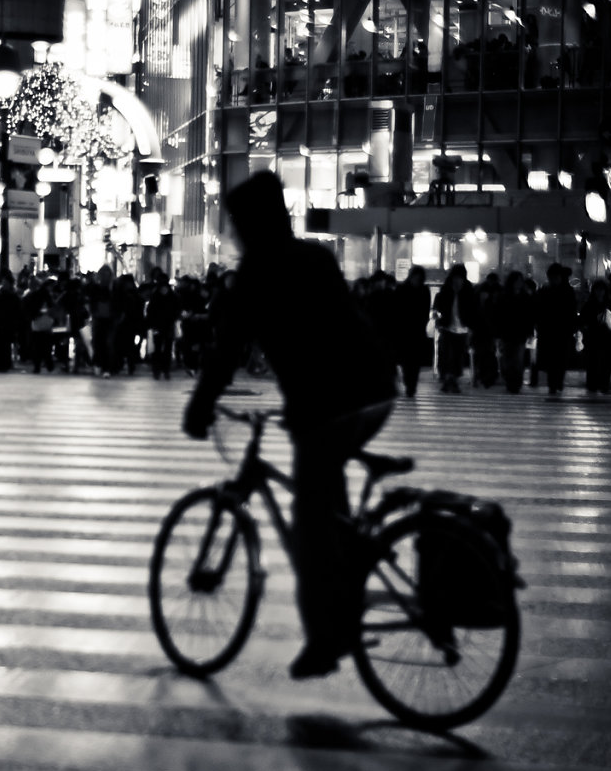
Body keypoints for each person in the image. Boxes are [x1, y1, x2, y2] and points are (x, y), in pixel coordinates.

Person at [183, 171, 397, 680]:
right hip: (374, 390)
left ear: (252, 223)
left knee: (308, 526)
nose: (232, 231)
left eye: (236, 221)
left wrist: (199, 407)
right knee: (329, 506)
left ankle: (326, 639)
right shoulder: (314, 256)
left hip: (331, 405)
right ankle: (346, 591)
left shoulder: (258, 272)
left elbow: (227, 348)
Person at [534, 262, 578, 396]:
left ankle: (555, 382)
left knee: (556, 359)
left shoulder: (547, 291)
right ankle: (555, 382)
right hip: (556, 331)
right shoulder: (566, 291)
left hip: (555, 331)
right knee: (557, 359)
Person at [433, 263, 477, 393]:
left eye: (460, 278)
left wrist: (471, 328)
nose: (458, 281)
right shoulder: (446, 291)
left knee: (457, 356)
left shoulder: (468, 291)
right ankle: (449, 379)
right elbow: (438, 306)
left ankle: (451, 380)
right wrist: (439, 322)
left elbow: (473, 312)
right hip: (448, 328)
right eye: (456, 278)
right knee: (447, 354)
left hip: (462, 328)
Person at [394, 264, 430, 397]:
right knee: (408, 360)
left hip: (414, 330)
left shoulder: (403, 289)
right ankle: (409, 383)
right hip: (407, 330)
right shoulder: (409, 290)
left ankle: (411, 384)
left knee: (413, 361)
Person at [496, 270, 534, 394]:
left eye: (520, 281)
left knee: (517, 359)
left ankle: (515, 383)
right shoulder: (505, 296)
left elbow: (529, 316)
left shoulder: (525, 297)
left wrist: (529, 331)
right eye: (516, 281)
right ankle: (511, 381)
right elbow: (499, 315)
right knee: (508, 358)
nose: (518, 284)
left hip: (519, 333)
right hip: (507, 332)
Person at [578, 279, 611, 395]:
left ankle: (601, 385)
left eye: (601, 290)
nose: (599, 292)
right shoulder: (593, 304)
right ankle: (595, 385)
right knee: (594, 362)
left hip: (603, 337)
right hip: (595, 337)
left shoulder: (605, 304)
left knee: (603, 362)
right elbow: (583, 320)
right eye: (597, 290)